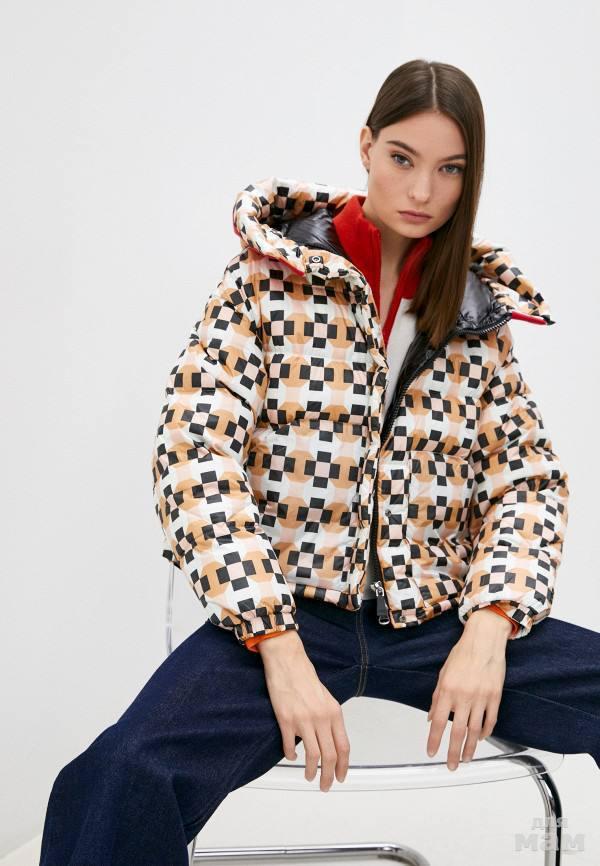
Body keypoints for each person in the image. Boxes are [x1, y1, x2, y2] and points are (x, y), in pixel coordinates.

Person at [39, 59, 600, 866]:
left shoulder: (475, 314)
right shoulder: (267, 284)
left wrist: (490, 626)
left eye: (450, 170)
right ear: (366, 146)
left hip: (436, 622)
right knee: (121, 776)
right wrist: (275, 641)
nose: (422, 190)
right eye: (402, 158)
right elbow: (194, 455)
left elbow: (527, 481)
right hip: (288, 616)